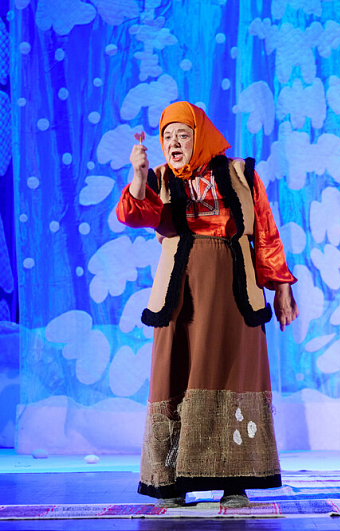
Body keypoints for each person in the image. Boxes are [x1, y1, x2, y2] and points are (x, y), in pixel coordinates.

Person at [116, 101, 299, 508]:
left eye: (183, 135)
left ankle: (235, 481)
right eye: (167, 136)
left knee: (234, 374)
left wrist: (282, 285)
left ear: (200, 136)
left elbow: (265, 232)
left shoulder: (239, 173)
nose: (174, 143)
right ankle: (172, 481)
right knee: (176, 374)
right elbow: (133, 214)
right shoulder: (160, 178)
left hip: (233, 291)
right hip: (182, 294)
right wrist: (139, 176)